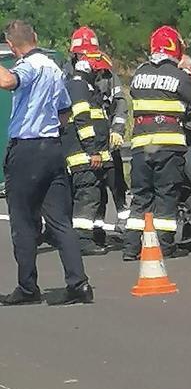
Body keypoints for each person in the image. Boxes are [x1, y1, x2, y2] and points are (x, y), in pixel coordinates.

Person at [0, 20, 92, 305]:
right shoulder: (53, 67)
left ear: (12, 46)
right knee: (60, 221)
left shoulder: (29, 65)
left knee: (23, 221)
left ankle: (28, 287)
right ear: (36, 36)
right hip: (52, 147)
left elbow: (8, 82)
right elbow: (64, 111)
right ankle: (78, 283)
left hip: (26, 149)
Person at [123, 25, 191, 261]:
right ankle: (166, 246)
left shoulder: (139, 74)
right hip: (168, 145)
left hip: (141, 145)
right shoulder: (179, 76)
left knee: (141, 196)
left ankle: (131, 248)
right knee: (166, 195)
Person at [68, 28, 129, 240]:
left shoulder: (107, 73)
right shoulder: (70, 75)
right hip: (83, 141)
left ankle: (124, 224)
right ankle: (94, 231)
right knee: (92, 188)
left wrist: (117, 130)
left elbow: (120, 103)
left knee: (116, 183)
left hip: (107, 138)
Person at [63, 56, 114, 256]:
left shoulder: (84, 87)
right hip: (84, 156)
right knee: (87, 196)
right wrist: (92, 151)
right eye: (99, 73)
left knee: (96, 196)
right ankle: (82, 240)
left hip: (91, 154)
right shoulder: (79, 87)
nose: (100, 77)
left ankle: (93, 235)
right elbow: (83, 121)